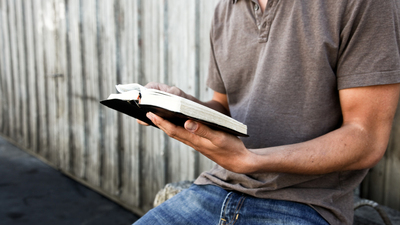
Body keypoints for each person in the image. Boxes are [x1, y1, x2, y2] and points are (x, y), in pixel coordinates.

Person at [134, 0, 400, 224]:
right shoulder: (226, 9)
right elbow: (224, 108)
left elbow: (367, 139)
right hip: (216, 188)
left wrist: (252, 160)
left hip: (304, 204)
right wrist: (179, 105)